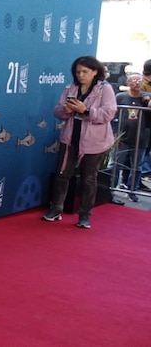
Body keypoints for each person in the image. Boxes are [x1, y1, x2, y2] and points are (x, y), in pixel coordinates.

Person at [43, 56, 117, 229]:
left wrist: (86, 110)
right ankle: (56, 209)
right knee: (62, 175)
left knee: (88, 179)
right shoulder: (71, 88)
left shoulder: (105, 89)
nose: (81, 75)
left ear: (95, 72)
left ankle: (85, 216)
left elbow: (108, 113)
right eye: (78, 72)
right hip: (70, 139)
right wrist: (66, 111)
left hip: (95, 142)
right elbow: (57, 111)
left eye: (85, 71)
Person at [112, 73, 150, 202]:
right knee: (115, 164)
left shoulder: (147, 97)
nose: (137, 83)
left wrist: (146, 99)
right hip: (122, 137)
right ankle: (110, 188)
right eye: (134, 80)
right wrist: (113, 132)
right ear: (128, 83)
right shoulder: (120, 97)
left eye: (139, 80)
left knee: (137, 166)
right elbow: (112, 115)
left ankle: (132, 190)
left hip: (141, 138)